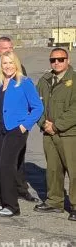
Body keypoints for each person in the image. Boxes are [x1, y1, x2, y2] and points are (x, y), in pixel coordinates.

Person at [0, 36, 38, 203]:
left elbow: (25, 92)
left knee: (18, 158)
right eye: (4, 48)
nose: (8, 50)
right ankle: (1, 194)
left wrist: (25, 123)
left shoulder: (18, 67)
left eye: (11, 47)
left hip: (16, 123)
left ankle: (20, 189)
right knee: (0, 161)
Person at [0, 51, 43, 217]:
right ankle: (1, 200)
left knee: (6, 165)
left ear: (16, 64)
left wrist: (25, 126)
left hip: (15, 130)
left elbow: (37, 107)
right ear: (0, 66)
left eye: (11, 63)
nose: (8, 66)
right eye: (4, 63)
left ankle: (12, 206)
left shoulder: (24, 82)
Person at [34, 48, 76, 221]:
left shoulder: (74, 79)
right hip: (48, 133)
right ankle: (55, 201)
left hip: (69, 133)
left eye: (61, 59)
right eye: (53, 60)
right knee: (53, 169)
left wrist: (57, 126)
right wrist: (44, 123)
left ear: (68, 59)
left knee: (74, 171)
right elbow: (36, 105)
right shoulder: (44, 80)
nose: (57, 63)